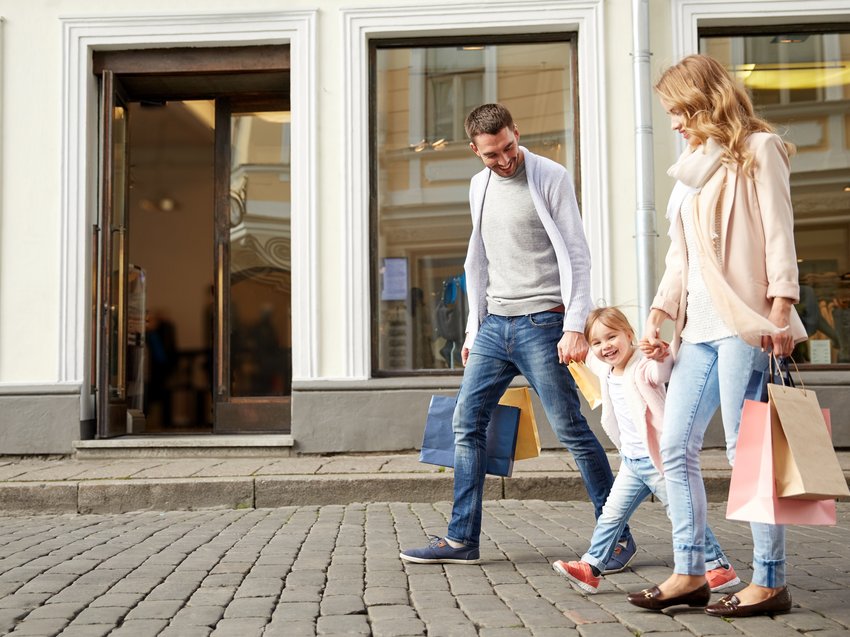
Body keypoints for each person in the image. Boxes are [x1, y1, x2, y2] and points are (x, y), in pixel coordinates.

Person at [400, 103, 633, 570]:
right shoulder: (478, 185)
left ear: (516, 132)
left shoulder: (550, 176)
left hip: (543, 324)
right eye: (491, 154)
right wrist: (473, 327)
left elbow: (578, 255)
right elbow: (478, 258)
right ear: (474, 150)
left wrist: (574, 327)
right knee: (466, 424)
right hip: (493, 326)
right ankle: (462, 538)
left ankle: (616, 538)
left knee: (570, 429)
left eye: (508, 147)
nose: (504, 160)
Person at [626, 55, 806, 617]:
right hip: (697, 330)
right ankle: (690, 572)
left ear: (706, 100)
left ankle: (770, 580)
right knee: (673, 447)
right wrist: (659, 311)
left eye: (678, 110)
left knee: (745, 450)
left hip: (743, 325)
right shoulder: (693, 164)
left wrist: (780, 311)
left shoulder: (759, 149)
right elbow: (681, 252)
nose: (674, 123)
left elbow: (780, 234)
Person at [552, 307, 739, 594]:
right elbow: (587, 358)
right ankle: (591, 568)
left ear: (629, 335)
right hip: (631, 461)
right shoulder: (607, 370)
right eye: (598, 342)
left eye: (612, 337)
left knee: (681, 511)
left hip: (658, 459)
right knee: (611, 515)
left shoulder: (642, 366)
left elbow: (660, 372)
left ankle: (717, 566)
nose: (606, 347)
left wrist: (660, 354)